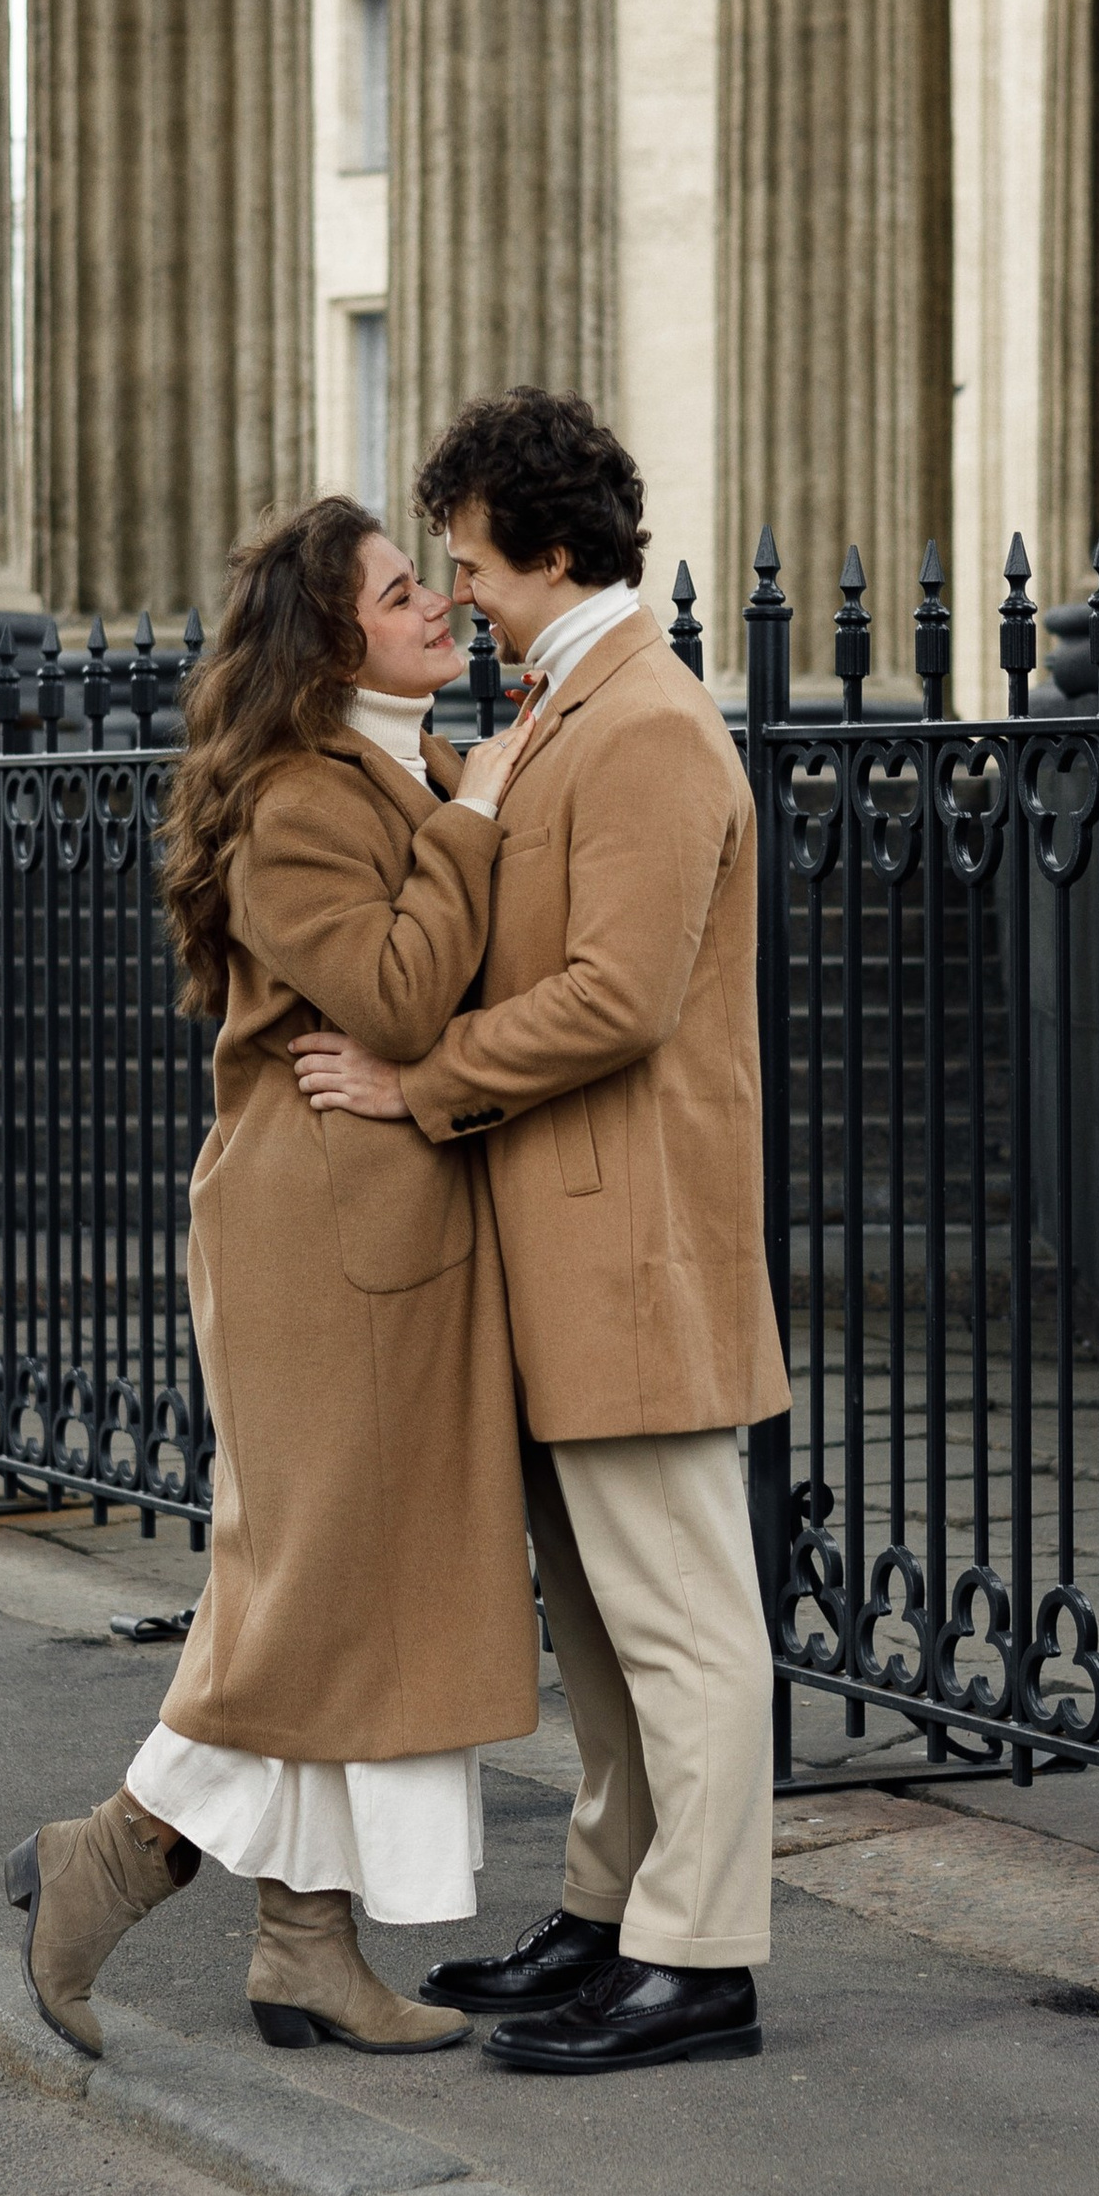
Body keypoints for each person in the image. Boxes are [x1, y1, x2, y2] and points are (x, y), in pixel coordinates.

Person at [6, 495, 545, 2058]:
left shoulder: (408, 766)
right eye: (402, 589)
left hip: (391, 1233)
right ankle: (112, 1853)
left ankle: (305, 1946)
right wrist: (474, 820)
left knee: (359, 1597)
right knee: (316, 1590)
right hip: (324, 1246)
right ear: (330, 639)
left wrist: (463, 800)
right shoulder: (305, 799)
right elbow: (396, 993)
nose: (440, 604)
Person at [291, 389, 789, 2075]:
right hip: (567, 1249)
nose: (460, 594)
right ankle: (607, 1912)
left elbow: (618, 997)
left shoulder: (646, 719)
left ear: (555, 553)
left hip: (630, 1247)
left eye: (472, 564)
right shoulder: (571, 705)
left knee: (685, 1627)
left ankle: (697, 1959)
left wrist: (415, 1081)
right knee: (604, 1624)